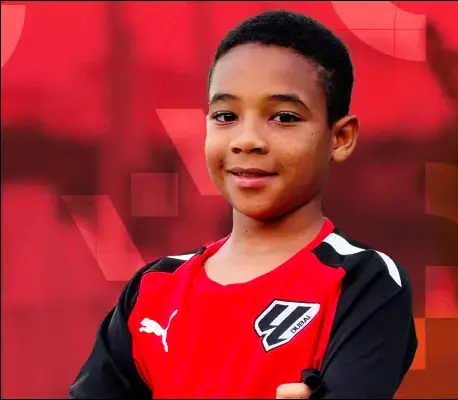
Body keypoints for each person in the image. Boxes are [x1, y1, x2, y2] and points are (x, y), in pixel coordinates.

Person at [70, 9, 417, 399]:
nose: (246, 139)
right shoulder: (154, 288)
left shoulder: (363, 280)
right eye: (225, 116)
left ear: (340, 138)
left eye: (284, 117)